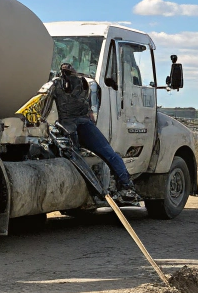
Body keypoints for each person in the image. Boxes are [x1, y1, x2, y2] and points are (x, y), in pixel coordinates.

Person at [42, 62, 143, 205]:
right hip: (85, 125)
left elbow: (45, 110)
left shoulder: (55, 84)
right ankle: (127, 186)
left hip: (67, 126)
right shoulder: (86, 83)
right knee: (109, 154)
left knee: (75, 159)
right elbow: (91, 111)